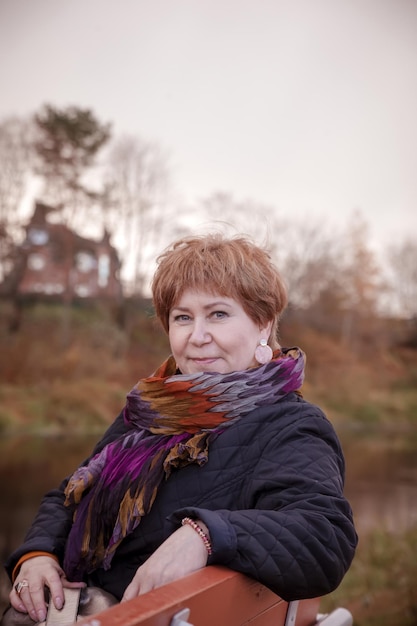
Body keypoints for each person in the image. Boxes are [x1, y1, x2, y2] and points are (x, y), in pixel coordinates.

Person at [3, 233, 357, 624]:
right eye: (182, 317)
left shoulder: (291, 425)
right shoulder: (150, 411)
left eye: (218, 314)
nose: (197, 336)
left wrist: (204, 535)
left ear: (263, 323)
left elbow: (324, 536)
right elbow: (69, 496)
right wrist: (37, 555)